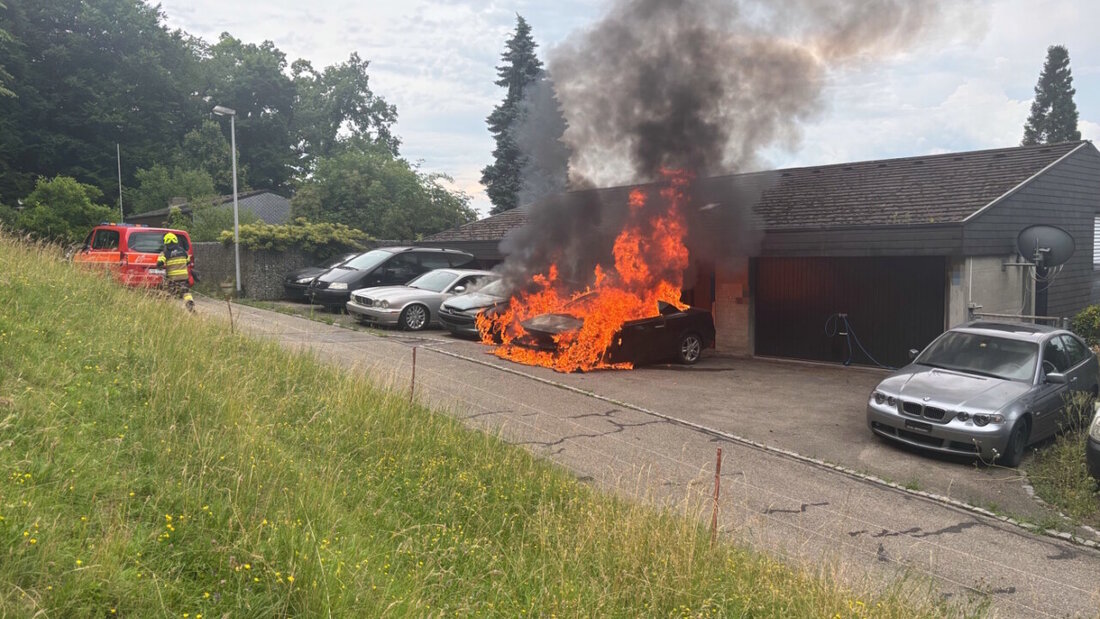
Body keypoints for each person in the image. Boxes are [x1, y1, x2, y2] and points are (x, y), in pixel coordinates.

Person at [156, 232, 194, 311]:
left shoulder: (165, 253)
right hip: (184, 277)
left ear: (166, 242)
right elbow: (188, 262)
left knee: (169, 293)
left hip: (173, 278)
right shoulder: (183, 251)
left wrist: (160, 265)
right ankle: (189, 302)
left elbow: (159, 263)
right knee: (185, 292)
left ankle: (167, 309)